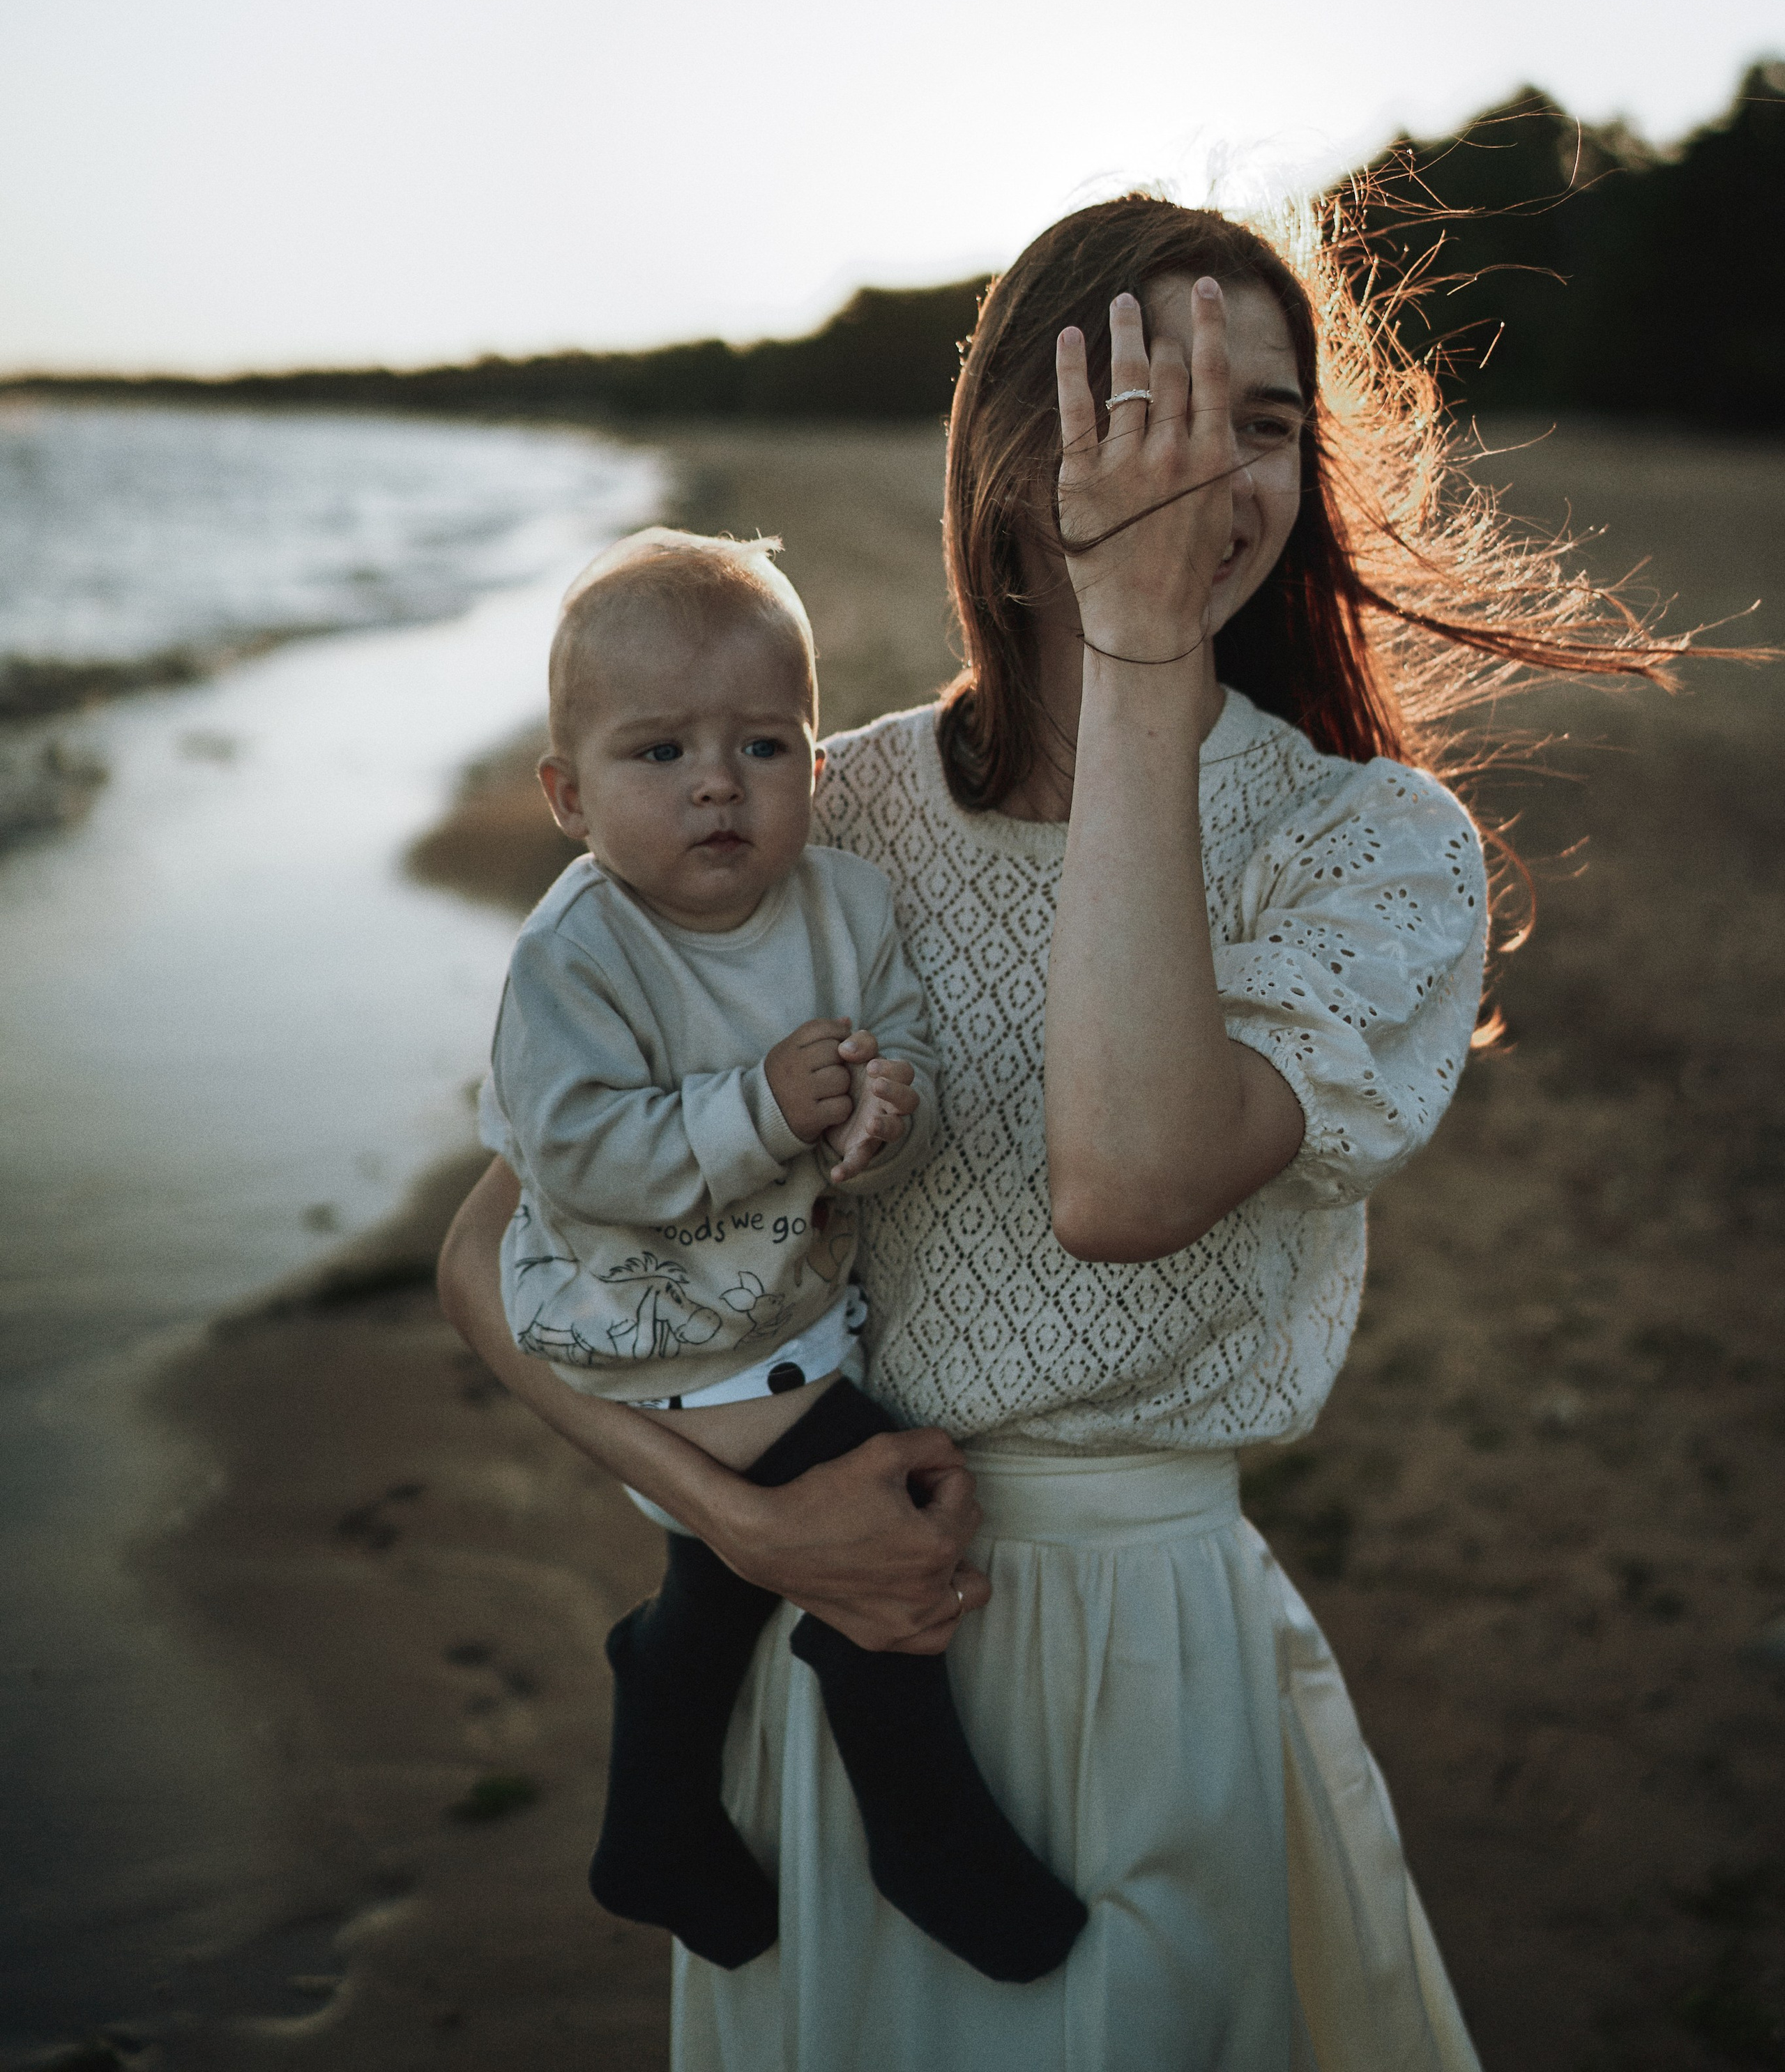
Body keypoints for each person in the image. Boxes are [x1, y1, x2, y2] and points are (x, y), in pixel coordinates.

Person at [440, 197, 1691, 2069]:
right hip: (818, 1622)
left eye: (1262, 423)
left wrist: (1141, 664)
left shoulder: (1372, 847)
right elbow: (498, 1250)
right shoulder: (812, 806)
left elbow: (1125, 1179)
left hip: (1142, 1648)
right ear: (1014, 458)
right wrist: (752, 1536)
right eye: (1152, 409)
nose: (1209, 466)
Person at [481, 527, 1086, 1985]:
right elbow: (572, 1154)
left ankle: (655, 1806)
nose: (714, 782)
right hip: (657, 1330)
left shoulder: (845, 905)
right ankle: (917, 1819)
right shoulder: (579, 954)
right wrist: (756, 1110)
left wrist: (886, 1111)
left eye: (760, 744)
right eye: (658, 752)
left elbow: (907, 1050)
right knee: (883, 1497)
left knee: (733, 1575)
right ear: (567, 794)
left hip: (788, 1302)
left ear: (814, 772)